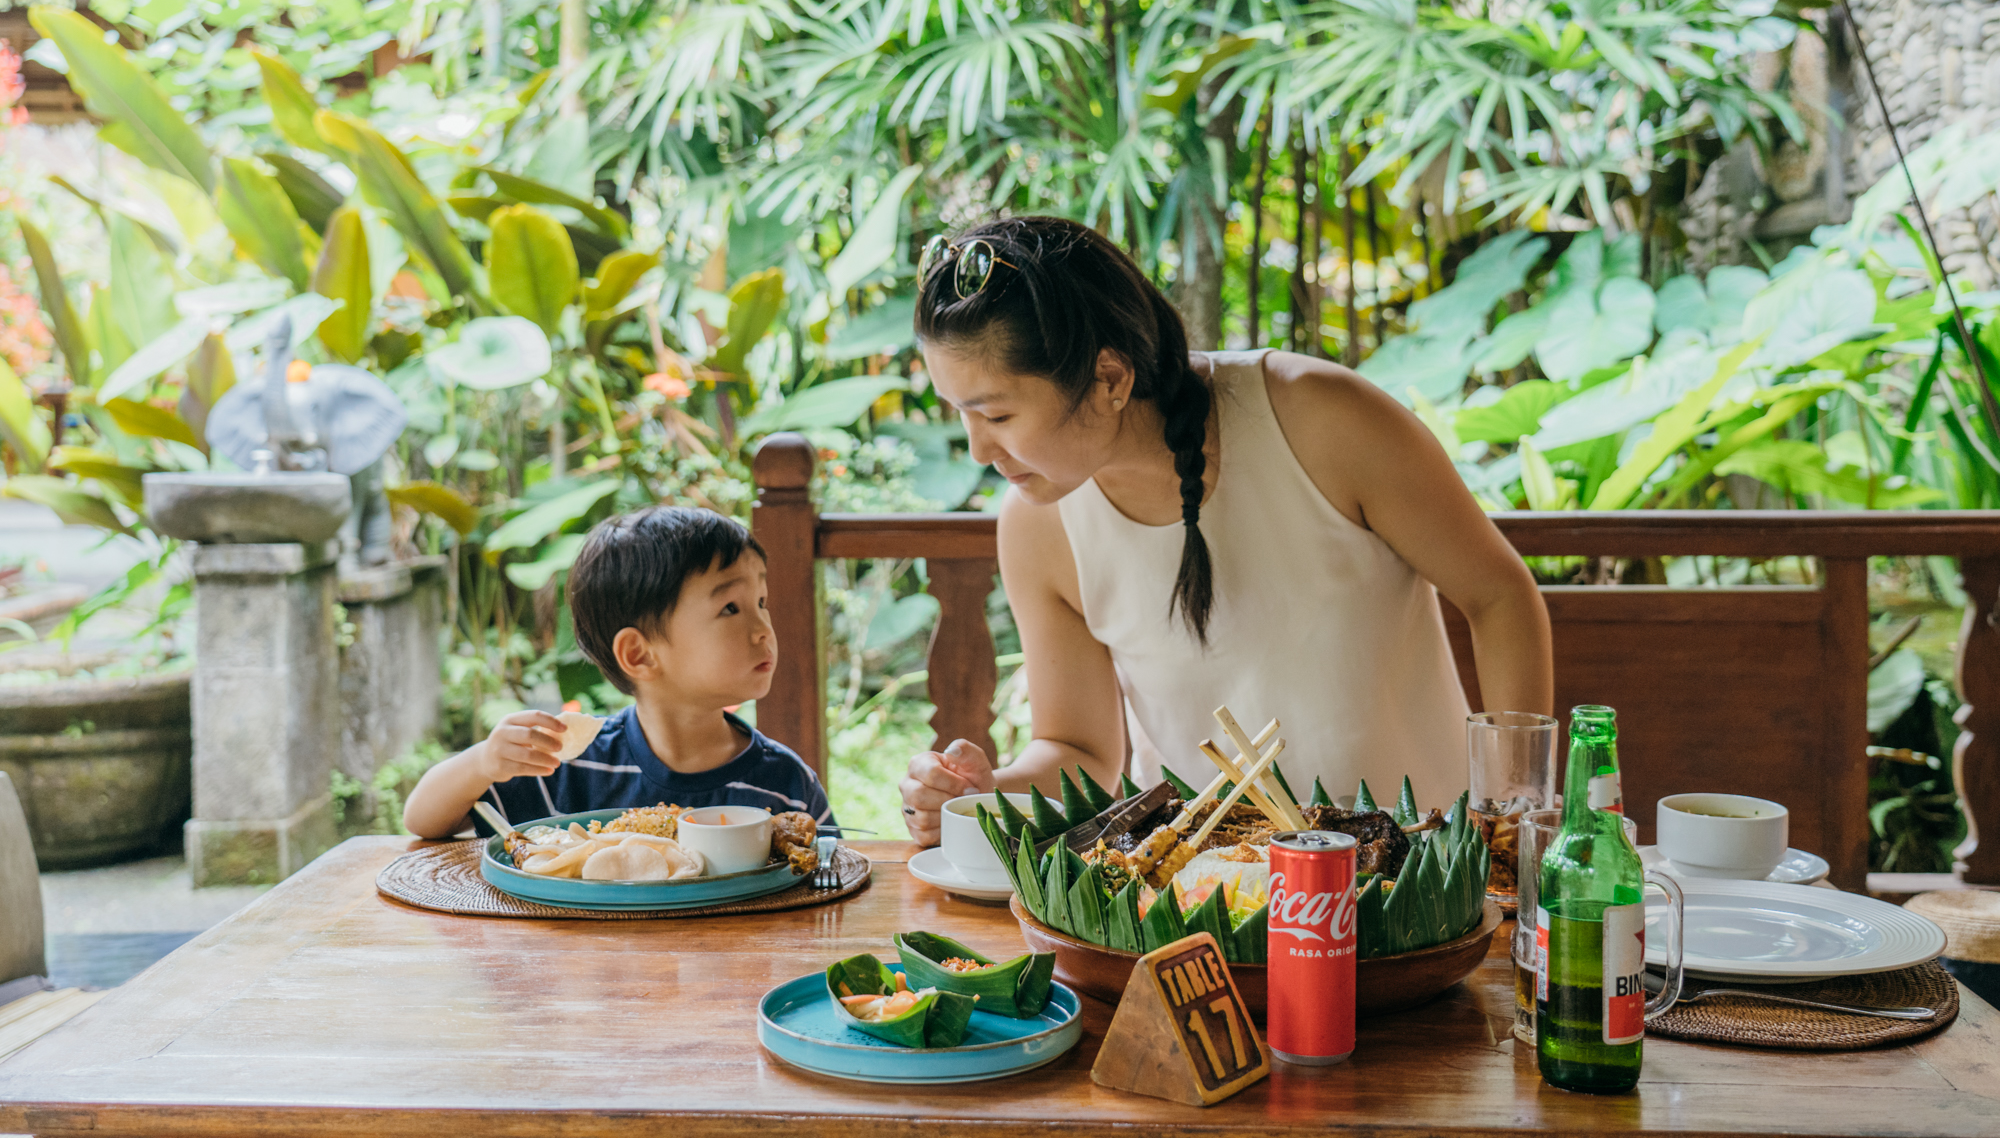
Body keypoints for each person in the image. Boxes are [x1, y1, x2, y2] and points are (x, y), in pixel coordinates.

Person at [897, 217, 1552, 845]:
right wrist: (983, 792)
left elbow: (1499, 597)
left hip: (1415, 880)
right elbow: (1082, 751)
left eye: (998, 414)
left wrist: (1512, 814)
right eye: (961, 414)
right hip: (1206, 902)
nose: (978, 449)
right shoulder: (1036, 524)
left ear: (1109, 378)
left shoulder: (1322, 418)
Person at [403, 506, 834, 838]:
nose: (764, 630)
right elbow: (422, 820)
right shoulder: (569, 768)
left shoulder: (785, 785)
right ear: (639, 654)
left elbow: (831, 879)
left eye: (762, 602)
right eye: (730, 608)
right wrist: (483, 762)